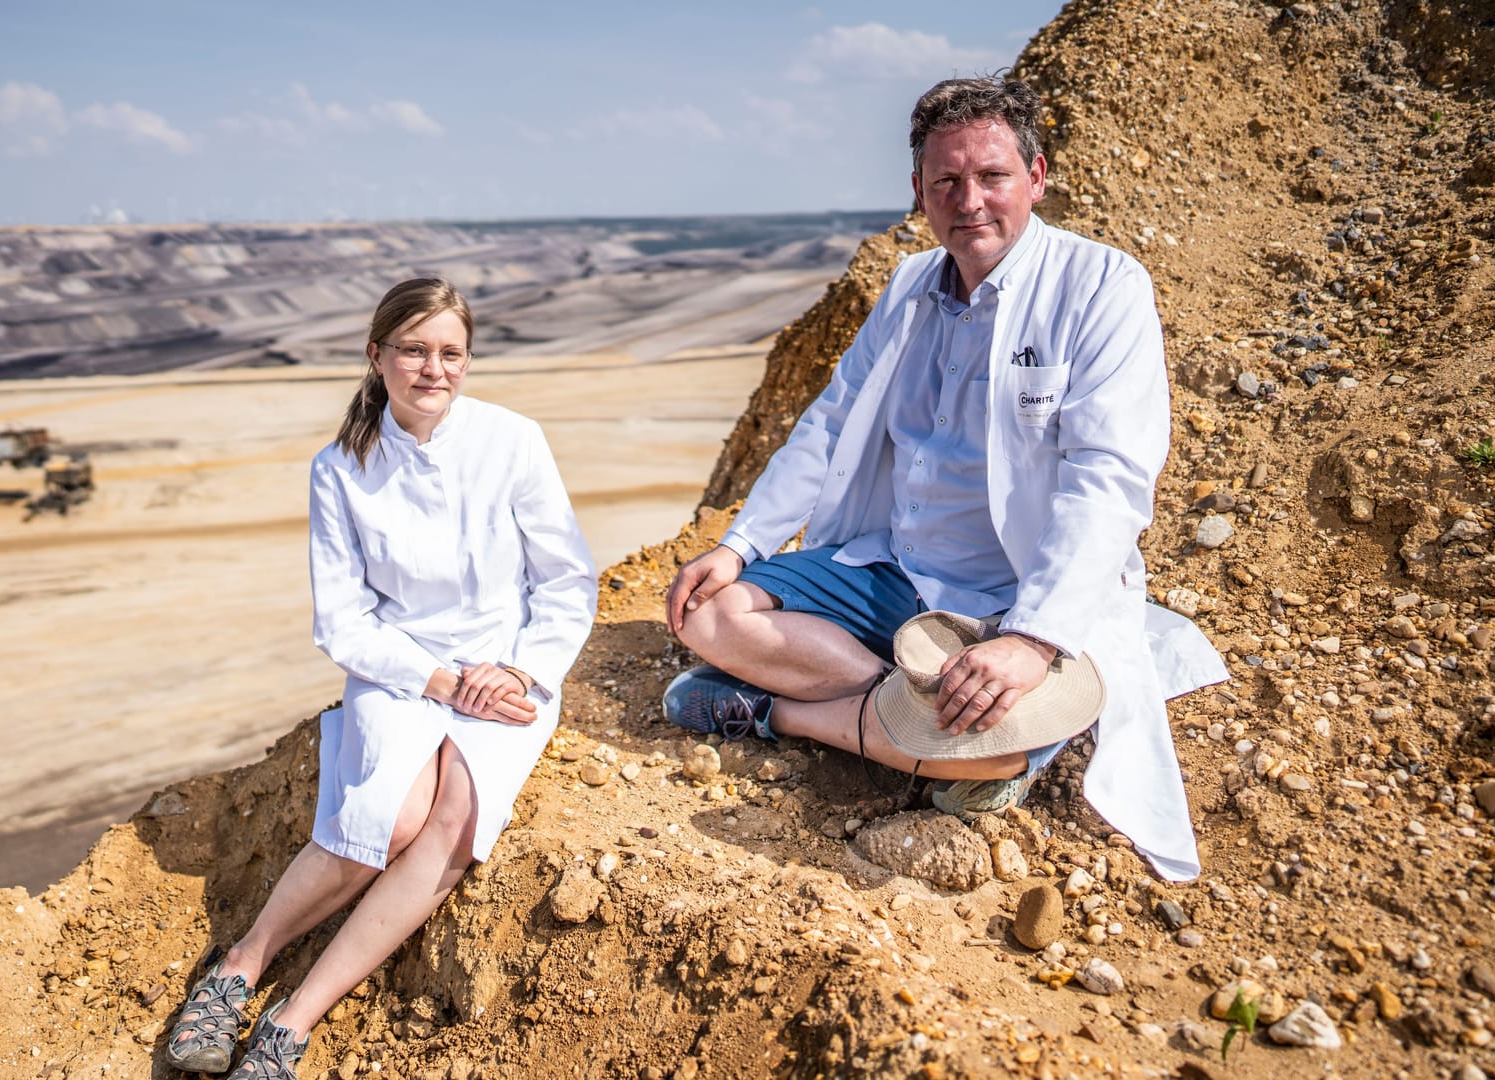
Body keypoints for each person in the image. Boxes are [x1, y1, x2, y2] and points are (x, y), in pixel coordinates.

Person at [661, 76, 1224, 882]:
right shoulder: (908, 288)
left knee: (1002, 732)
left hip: (1008, 595)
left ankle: (776, 712)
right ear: (918, 192)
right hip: (898, 569)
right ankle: (924, 725)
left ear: (1035, 177)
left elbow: (1108, 480)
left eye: (992, 176)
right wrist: (742, 544)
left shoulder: (1101, 288)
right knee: (706, 610)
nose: (970, 200)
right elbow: (829, 421)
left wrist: (1031, 641)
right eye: (946, 181)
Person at [165, 278, 597, 1077]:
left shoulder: (514, 440)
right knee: (385, 824)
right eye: (414, 350)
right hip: (399, 669)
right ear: (377, 356)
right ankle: (241, 965)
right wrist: (437, 681)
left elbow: (566, 581)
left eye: (451, 353)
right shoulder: (339, 469)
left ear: (468, 362)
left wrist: (520, 671)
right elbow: (343, 622)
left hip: (509, 667)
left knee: (459, 821)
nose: (434, 369)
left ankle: (292, 1024)